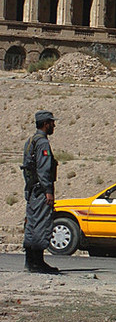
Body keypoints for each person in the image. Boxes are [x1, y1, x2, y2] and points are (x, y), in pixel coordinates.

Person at [21, 110, 59, 274]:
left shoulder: (31, 141)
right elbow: (43, 169)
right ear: (46, 124)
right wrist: (48, 191)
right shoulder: (42, 143)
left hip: (32, 189)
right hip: (40, 190)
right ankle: (37, 262)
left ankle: (30, 261)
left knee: (31, 224)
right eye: (51, 122)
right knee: (41, 224)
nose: (54, 125)